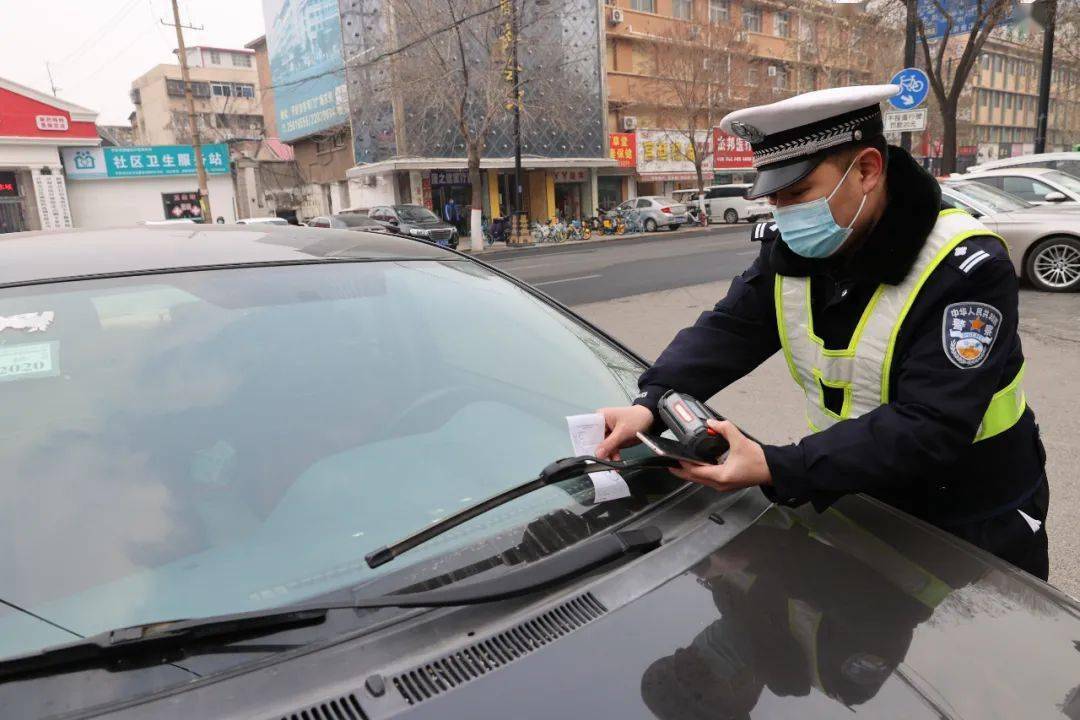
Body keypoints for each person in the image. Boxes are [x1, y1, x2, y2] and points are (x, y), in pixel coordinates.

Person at [594, 85, 1049, 580]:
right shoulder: (795, 251)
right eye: (774, 198)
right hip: (853, 490)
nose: (784, 214)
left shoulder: (966, 266)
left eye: (797, 194)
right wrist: (651, 401)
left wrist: (777, 466)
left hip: (974, 515)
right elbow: (731, 328)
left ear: (868, 170)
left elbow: (931, 424)